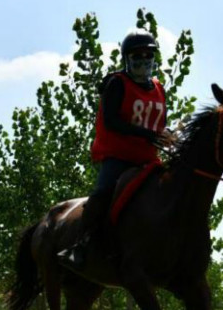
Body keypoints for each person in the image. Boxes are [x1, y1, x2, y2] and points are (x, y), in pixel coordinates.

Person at [58, 30, 172, 271]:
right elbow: (111, 121)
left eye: (148, 54)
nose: (143, 59)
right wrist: (149, 135)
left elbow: (159, 122)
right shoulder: (116, 83)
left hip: (149, 159)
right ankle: (81, 244)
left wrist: (167, 136)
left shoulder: (159, 88)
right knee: (102, 193)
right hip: (119, 157)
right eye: (137, 55)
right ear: (126, 58)